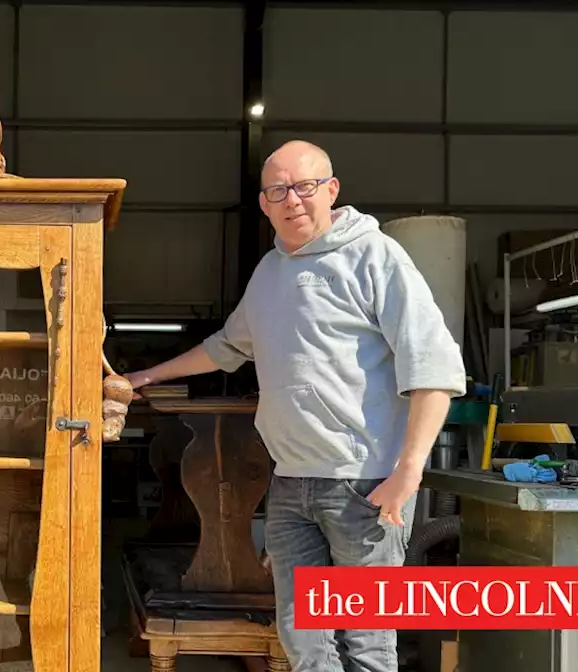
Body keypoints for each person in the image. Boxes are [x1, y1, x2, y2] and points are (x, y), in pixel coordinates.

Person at [123, 140, 466, 672]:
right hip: (290, 486)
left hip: (365, 486)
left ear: (331, 190)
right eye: (278, 190)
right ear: (264, 203)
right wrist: (146, 375)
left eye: (305, 186)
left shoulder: (375, 257)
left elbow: (434, 371)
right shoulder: (269, 273)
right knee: (302, 640)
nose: (293, 200)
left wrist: (408, 472)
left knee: (368, 644)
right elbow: (226, 348)